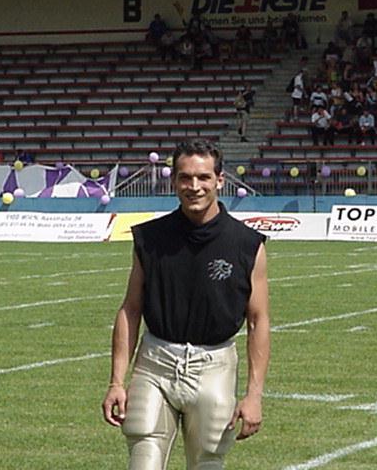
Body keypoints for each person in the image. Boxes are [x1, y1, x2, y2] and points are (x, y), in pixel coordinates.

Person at [102, 139, 270, 470]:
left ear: (219, 180)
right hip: (155, 363)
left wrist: (254, 395)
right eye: (185, 177)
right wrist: (116, 382)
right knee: (143, 461)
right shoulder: (150, 238)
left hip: (215, 365)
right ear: (174, 181)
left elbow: (258, 320)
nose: (194, 186)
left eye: (203, 177)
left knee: (208, 461)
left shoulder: (247, 244)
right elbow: (130, 309)